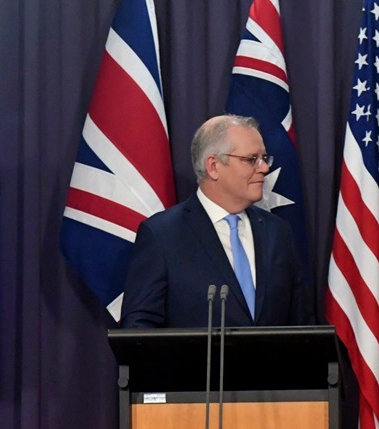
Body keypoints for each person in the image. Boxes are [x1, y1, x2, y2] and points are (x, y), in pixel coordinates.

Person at [120, 114, 312, 328]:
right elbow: (139, 329)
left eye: (264, 158)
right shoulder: (162, 235)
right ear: (213, 166)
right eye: (251, 160)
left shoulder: (278, 233)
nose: (264, 168)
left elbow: (302, 325)